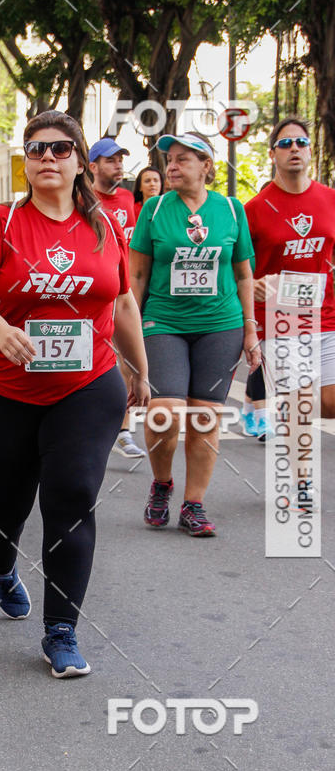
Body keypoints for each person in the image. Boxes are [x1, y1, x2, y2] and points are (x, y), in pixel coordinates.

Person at [0, 110, 150, 678]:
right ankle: (1, 570)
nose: (47, 158)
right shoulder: (1, 221)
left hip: (86, 386)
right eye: (36, 149)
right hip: (7, 389)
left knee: (70, 493)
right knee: (3, 506)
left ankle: (60, 630)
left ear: (79, 161)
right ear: (25, 159)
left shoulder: (106, 226)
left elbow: (121, 302)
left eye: (60, 149)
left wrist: (139, 368)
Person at [130, 132, 260, 536]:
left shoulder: (231, 210)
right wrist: (126, 336)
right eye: (169, 158)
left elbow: (243, 274)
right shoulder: (153, 210)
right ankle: (162, 483)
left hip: (221, 324)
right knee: (164, 412)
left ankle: (194, 504)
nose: (172, 165)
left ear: (206, 165)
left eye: (184, 159)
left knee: (205, 418)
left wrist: (251, 330)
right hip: (163, 321)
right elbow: (136, 275)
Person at [245, 116, 335, 419]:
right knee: (301, 411)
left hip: (326, 316)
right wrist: (251, 284)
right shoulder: (254, 209)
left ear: (310, 151)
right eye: (285, 143)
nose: (294, 148)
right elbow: (238, 268)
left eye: (301, 142)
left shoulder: (330, 199)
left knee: (331, 404)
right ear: (272, 154)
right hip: (279, 321)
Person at [90, 137, 145, 459]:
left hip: (124, 290)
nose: (118, 165)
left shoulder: (126, 198)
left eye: (120, 159)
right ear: (93, 166)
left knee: (124, 361)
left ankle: (123, 430)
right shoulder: (86, 200)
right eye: (110, 160)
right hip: (96, 294)